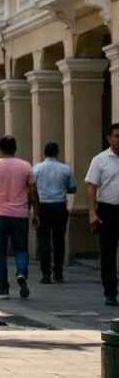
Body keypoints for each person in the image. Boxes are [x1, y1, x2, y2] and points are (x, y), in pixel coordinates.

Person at [0, 135, 38, 299]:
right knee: (21, 248)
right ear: (15, 148)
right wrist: (36, 213)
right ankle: (21, 272)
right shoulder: (26, 166)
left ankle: (3, 289)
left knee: (0, 253)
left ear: (0, 148)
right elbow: (33, 193)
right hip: (20, 215)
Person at [85, 123, 119, 307]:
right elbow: (92, 188)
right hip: (107, 209)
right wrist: (92, 213)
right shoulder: (100, 160)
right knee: (108, 252)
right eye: (116, 136)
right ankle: (110, 291)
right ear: (109, 138)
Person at [33, 142, 75, 284]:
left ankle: (46, 274)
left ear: (44, 153)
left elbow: (32, 189)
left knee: (44, 241)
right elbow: (73, 188)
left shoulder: (37, 169)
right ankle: (58, 273)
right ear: (57, 153)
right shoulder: (65, 169)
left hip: (43, 206)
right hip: (59, 206)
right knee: (59, 241)